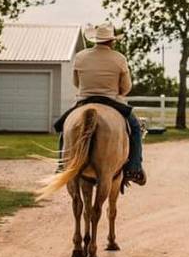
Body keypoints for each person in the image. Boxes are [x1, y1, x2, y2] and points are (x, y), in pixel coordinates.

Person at [55, 22, 146, 186]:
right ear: (112, 41)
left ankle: (62, 165)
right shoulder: (119, 58)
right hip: (112, 101)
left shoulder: (81, 57)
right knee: (135, 128)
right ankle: (134, 168)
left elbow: (76, 82)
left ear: (95, 40)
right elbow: (126, 87)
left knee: (64, 127)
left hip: (85, 100)